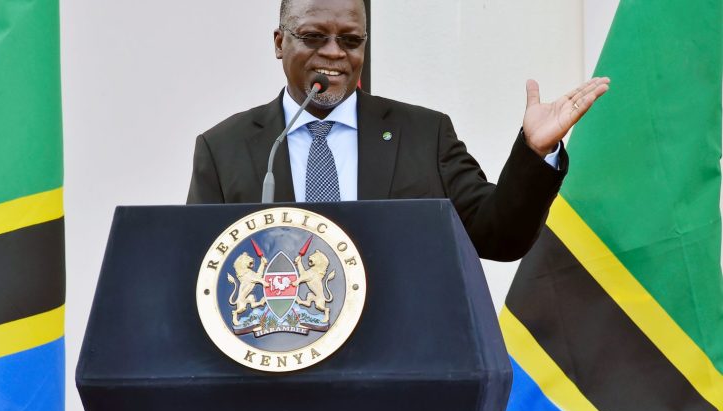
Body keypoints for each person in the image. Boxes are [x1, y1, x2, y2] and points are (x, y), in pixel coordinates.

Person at [187, 0, 610, 261]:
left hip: (400, 370)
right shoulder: (223, 149)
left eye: (351, 41)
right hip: (274, 374)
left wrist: (535, 153)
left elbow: (498, 236)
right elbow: (200, 269)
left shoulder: (424, 134)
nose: (334, 53)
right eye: (315, 37)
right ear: (280, 42)